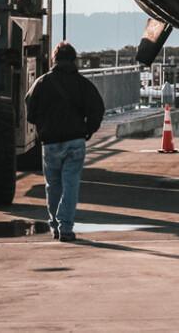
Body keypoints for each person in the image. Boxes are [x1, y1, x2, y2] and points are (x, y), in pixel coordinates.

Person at [25, 41, 105, 242]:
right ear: (74, 60)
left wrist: (42, 127)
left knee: (53, 186)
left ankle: (55, 226)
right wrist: (88, 131)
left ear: (54, 60)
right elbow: (97, 109)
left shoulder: (42, 83)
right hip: (75, 141)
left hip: (50, 143)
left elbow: (30, 109)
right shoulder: (82, 84)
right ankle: (66, 227)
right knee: (70, 185)